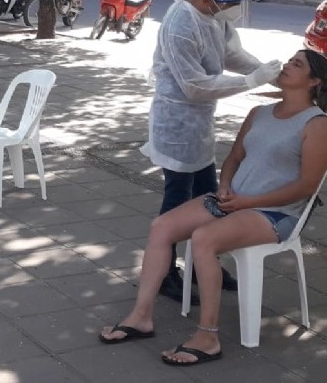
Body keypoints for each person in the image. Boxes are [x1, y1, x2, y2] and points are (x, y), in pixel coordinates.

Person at [100, 49, 327, 366]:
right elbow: (234, 158)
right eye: (289, 60)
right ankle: (141, 316)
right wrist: (224, 186)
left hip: (276, 213)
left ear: (314, 81)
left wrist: (249, 201)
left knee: (204, 238)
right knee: (161, 227)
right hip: (235, 199)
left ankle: (208, 337)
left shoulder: (316, 125)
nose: (287, 65)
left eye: (297, 64)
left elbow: (304, 187)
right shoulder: (259, 112)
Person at [141, 0, 282, 304]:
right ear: (211, 0)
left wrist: (270, 75)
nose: (235, 10)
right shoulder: (179, 24)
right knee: (177, 199)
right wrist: (251, 83)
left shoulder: (215, 17)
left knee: (208, 194)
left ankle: (205, 263)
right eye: (232, 4)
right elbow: (193, 86)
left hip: (200, 123)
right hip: (176, 122)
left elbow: (233, 55)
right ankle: (164, 273)